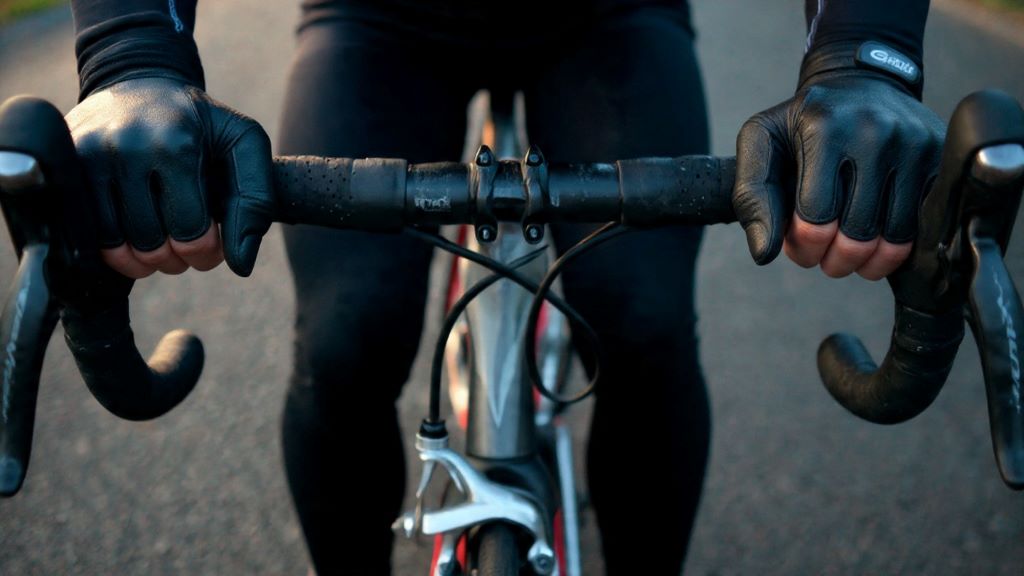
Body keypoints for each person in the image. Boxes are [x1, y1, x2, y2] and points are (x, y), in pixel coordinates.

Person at [64, 0, 943, 574]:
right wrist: (132, 54)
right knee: (346, 338)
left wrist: (864, 58)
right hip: (374, 23)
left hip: (614, 18)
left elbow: (863, 51)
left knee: (646, 321)